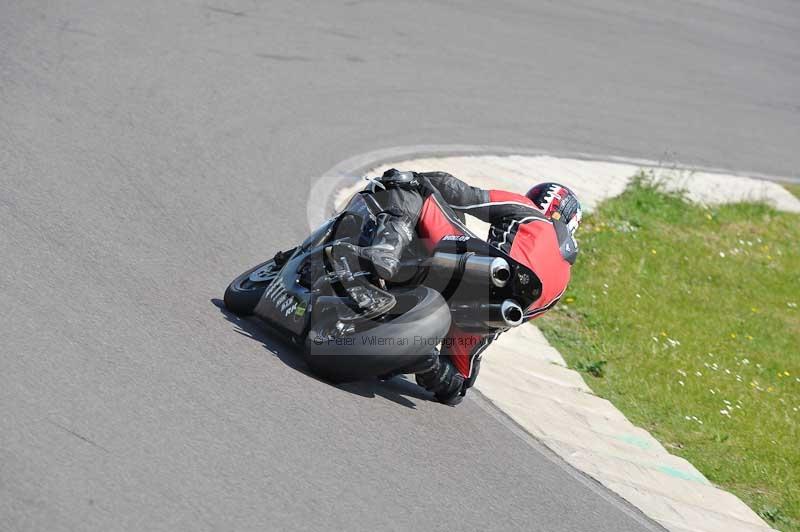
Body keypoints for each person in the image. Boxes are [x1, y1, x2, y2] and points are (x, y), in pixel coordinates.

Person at [347, 169, 581, 405]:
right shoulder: (562, 285)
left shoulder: (529, 211)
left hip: (477, 267)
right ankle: (428, 363)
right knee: (458, 382)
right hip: (485, 314)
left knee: (411, 188)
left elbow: (464, 195)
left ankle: (387, 249)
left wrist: (418, 176)